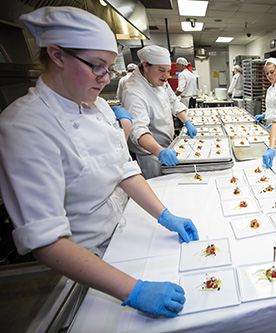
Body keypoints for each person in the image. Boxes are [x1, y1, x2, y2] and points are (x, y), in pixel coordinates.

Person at [0, 7, 199, 318]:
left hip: (125, 235)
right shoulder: (25, 125)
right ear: (57, 55)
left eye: (109, 68)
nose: (106, 78)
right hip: (85, 264)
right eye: (96, 67)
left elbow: (124, 169)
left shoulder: (101, 107)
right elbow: (47, 241)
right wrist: (133, 290)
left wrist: (165, 215)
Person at [121, 45, 197, 179]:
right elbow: (137, 130)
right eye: (162, 70)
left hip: (168, 145)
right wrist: (160, 151)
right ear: (145, 65)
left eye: (168, 71)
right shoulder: (133, 91)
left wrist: (187, 121)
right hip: (150, 155)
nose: (166, 76)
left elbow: (174, 101)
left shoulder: (158, 80)